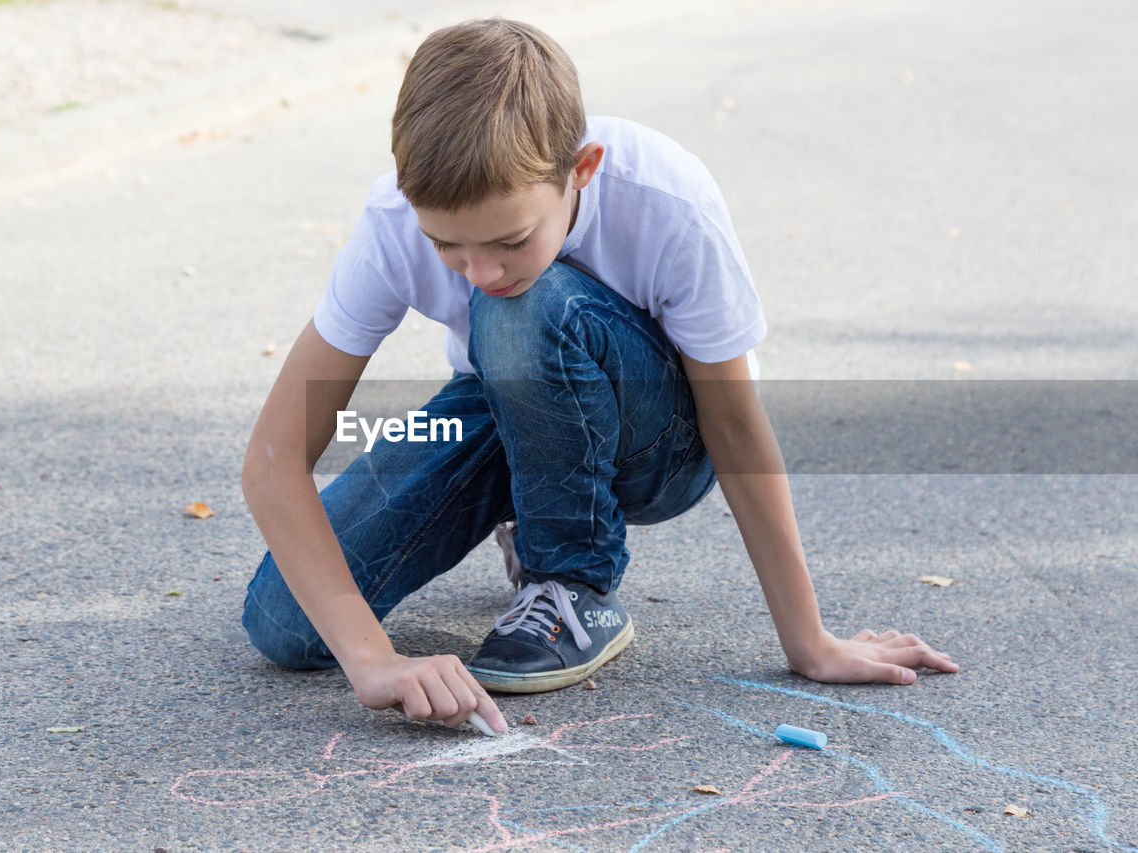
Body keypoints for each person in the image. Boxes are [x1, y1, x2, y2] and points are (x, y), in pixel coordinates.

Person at [239, 18, 958, 737]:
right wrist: (371, 658)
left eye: (509, 239)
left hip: (665, 441)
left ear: (581, 168)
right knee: (287, 622)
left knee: (520, 308)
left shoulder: (668, 201)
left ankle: (572, 581)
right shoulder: (392, 221)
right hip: (505, 403)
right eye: (445, 245)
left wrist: (810, 640)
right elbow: (273, 458)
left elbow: (734, 423)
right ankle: (536, 498)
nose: (479, 271)